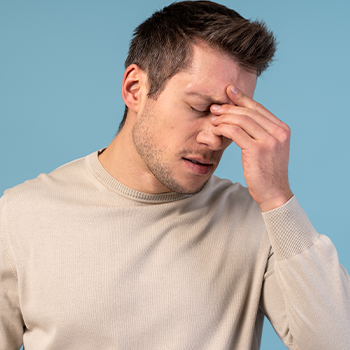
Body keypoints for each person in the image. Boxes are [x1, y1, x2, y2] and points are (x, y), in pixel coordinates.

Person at [1, 1, 349, 349]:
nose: (215, 138)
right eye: (199, 108)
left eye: (232, 116)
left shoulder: (258, 220)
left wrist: (277, 199)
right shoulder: (20, 216)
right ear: (135, 88)